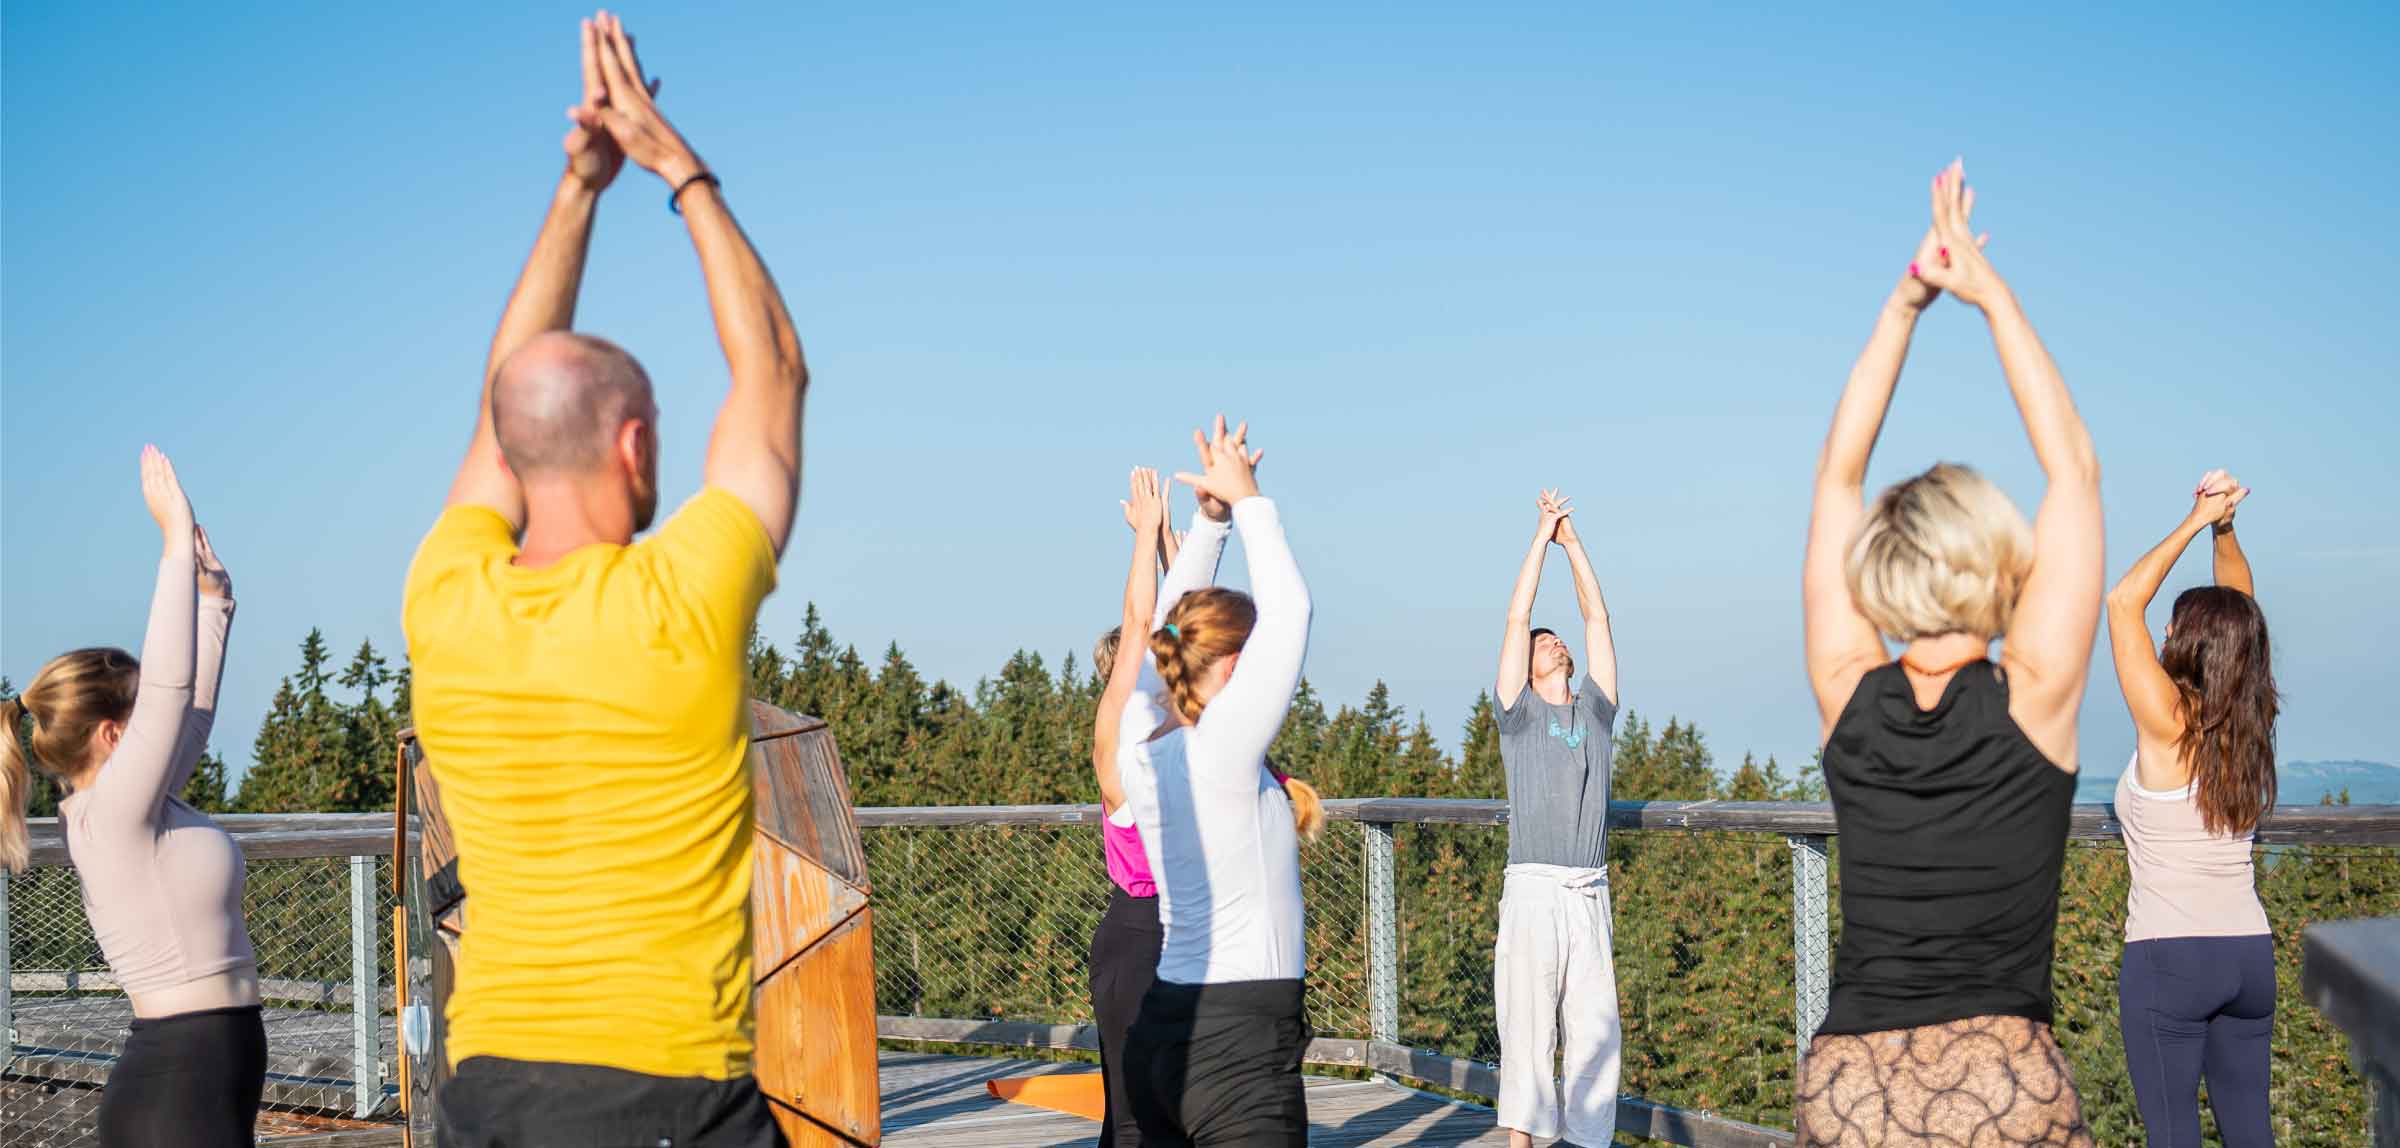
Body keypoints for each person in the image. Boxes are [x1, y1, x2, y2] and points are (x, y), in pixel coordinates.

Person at [400, 14, 807, 1147]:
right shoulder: (684, 595)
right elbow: (773, 367)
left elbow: (505, 396)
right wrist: (679, 168)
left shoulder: (446, 595)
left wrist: (580, 186)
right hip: (666, 1094)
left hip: (486, 1096)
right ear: (635, 447)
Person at [1795, 161, 2102, 1147]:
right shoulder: (2036, 698)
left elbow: (1838, 473)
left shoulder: (1848, 695)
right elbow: (2074, 469)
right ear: (1998, 556)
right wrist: (1988, 293)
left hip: (1850, 1083)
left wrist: (1905, 301)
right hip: (2000, 1081)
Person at [1, 447, 261, 1148]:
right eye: (146, 717)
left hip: (203, 1081)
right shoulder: (111, 817)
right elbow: (174, 693)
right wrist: (174, 541)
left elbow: (191, 714)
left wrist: (215, 599)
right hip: (178, 1091)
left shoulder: (136, 811)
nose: (162, 725)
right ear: (115, 734)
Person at [1112, 417, 1322, 1148]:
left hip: (1164, 1033)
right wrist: (1248, 498)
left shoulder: (1142, 747)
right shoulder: (1223, 750)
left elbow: (1155, 651)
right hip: (1237, 1052)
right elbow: (1292, 611)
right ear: (1234, 669)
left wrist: (1208, 524)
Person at [2104, 470, 2277, 1148]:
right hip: (2248, 954)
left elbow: (2123, 603)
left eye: (2174, 621)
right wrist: (2226, 525)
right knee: (2250, 1135)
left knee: (2173, 1137)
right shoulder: (2249, 720)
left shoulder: (2167, 721)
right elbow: (2240, 610)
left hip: (2168, 956)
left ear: (2183, 639)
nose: (2164, 625)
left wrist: (2197, 520)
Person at [1491, 488, 1622, 1148]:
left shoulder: (1596, 711)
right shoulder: (1520, 717)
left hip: (1588, 891)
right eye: (1545, 642)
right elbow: (1517, 621)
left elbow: (1597, 618)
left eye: (1555, 639)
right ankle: (1522, 1144)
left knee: (1596, 1031)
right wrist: (1540, 539)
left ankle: (1588, 1143)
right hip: (1536, 888)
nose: (1552, 642)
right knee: (1530, 1028)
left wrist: (1575, 545)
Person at [1085, 466, 1179, 1148]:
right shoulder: (1117, 751)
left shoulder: (1187, 745)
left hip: (1194, 928)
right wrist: (1145, 540)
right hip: (1137, 936)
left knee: (1187, 1113)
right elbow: (1141, 622)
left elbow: (1194, 625)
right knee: (1131, 1120)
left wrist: (1174, 538)